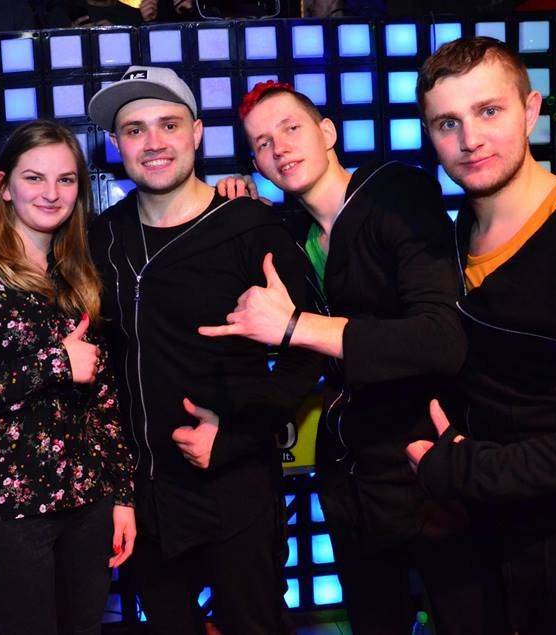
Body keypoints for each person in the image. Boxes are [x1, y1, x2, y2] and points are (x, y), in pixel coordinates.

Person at [205, 81, 487, 635]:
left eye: (291, 128)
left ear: (328, 132)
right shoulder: (292, 234)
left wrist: (297, 327)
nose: (280, 147)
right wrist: (235, 204)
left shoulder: (394, 193)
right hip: (352, 476)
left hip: (428, 460)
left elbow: (442, 338)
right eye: (262, 143)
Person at [406, 36, 556, 634]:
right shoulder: (452, 237)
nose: (470, 140)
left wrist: (476, 472)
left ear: (530, 110)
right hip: (482, 533)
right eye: (447, 123)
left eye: (489, 111)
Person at [86, 66, 319, 635]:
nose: (153, 142)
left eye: (168, 125)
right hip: (144, 499)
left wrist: (236, 434)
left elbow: (311, 350)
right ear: (116, 145)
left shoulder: (249, 225)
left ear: (196, 133)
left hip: (233, 488)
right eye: (134, 130)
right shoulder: (101, 238)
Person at [0, 119, 136, 635]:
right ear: (4, 186)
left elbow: (105, 401)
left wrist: (122, 496)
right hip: (8, 515)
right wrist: (54, 362)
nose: (51, 193)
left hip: (88, 505)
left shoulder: (79, 274)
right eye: (34, 178)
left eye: (66, 179)